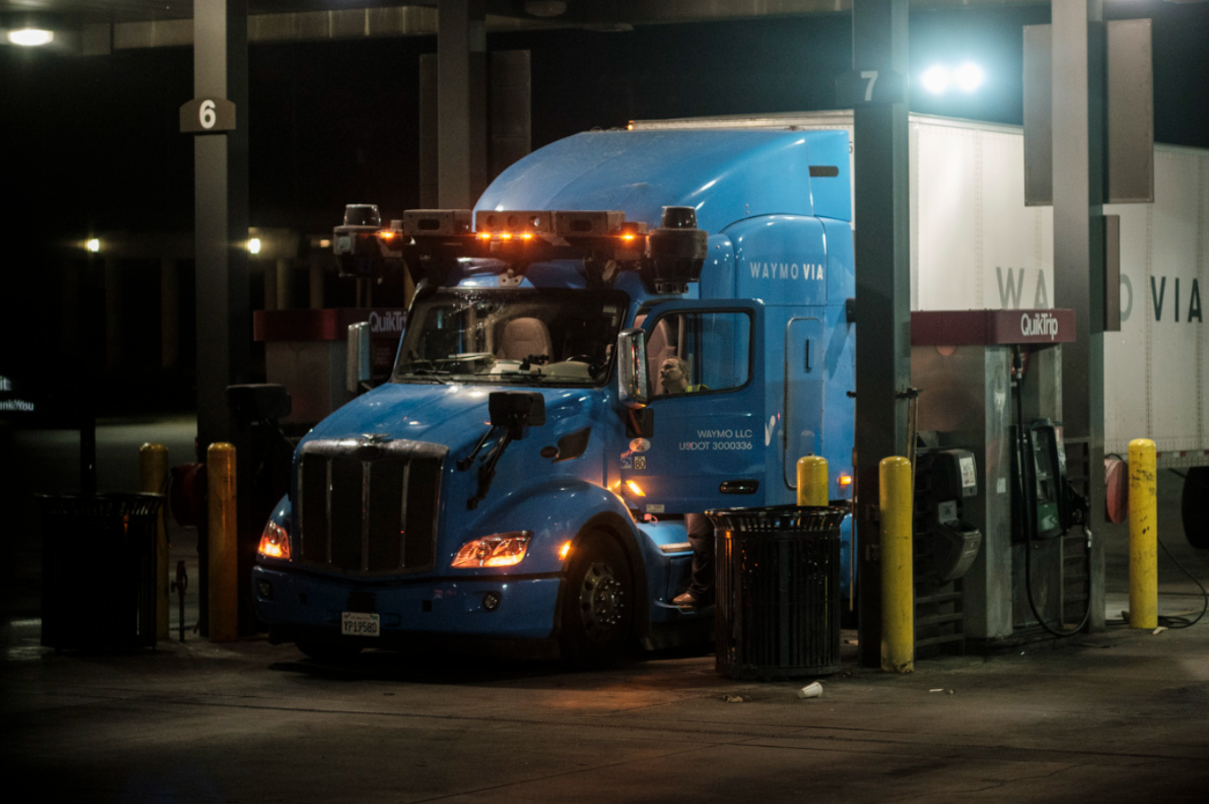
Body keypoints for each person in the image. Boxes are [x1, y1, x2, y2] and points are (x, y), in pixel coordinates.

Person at [657, 356, 715, 608]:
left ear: (684, 374)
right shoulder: (661, 404)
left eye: (669, 366)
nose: (662, 370)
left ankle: (701, 592)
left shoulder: (701, 397)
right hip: (683, 478)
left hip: (701, 477)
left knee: (700, 535)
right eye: (661, 367)